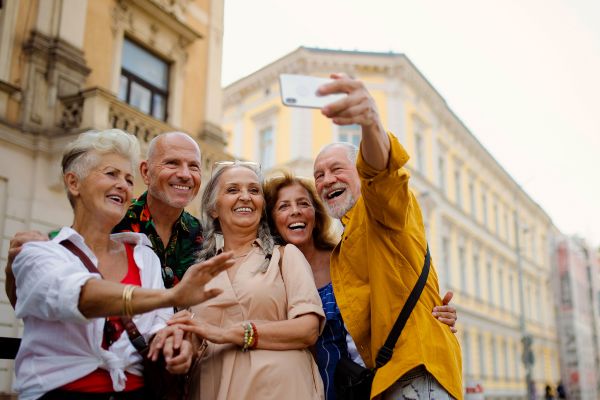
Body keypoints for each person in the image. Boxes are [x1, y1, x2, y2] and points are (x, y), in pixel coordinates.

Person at [10, 129, 233, 400]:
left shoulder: (178, 244)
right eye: (111, 174)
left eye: (127, 180)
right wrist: (170, 297)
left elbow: (167, 323)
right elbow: (57, 296)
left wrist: (183, 341)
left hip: (152, 387)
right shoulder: (49, 248)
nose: (123, 186)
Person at [312, 74, 463, 399]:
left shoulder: (379, 206)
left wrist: (370, 123)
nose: (326, 180)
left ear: (360, 171)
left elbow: (381, 172)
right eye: (318, 175)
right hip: (387, 381)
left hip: (413, 374)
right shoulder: (344, 241)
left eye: (337, 169)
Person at [263, 172, 458, 400]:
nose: (295, 210)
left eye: (303, 203)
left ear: (315, 214)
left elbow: (392, 294)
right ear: (272, 219)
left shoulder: (345, 258)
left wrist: (432, 312)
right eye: (283, 206)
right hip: (298, 389)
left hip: (360, 386)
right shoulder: (268, 274)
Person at [164, 161, 326, 399]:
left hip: (281, 390)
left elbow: (308, 330)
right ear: (213, 209)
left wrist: (232, 333)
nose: (245, 197)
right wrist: (180, 351)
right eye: (232, 190)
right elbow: (191, 341)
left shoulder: (284, 257)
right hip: (213, 389)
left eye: (253, 190)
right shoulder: (196, 274)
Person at [5, 131, 204, 308]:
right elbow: (52, 294)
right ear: (146, 172)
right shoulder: (111, 215)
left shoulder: (202, 234)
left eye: (194, 166)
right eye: (172, 163)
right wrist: (18, 268)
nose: (185, 174)